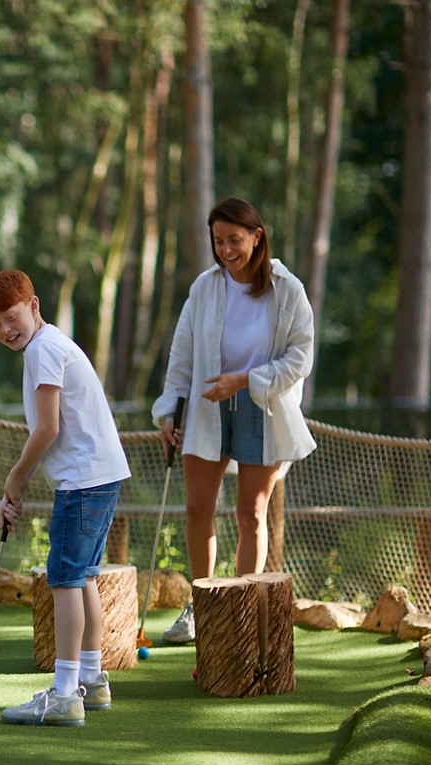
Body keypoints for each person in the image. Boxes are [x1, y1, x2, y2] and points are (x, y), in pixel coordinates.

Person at [152, 197, 316, 644]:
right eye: (218, 241)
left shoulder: (289, 289)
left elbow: (300, 359)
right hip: (206, 406)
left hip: (263, 408)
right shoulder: (203, 288)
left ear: (257, 237)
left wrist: (245, 381)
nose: (226, 250)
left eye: (235, 240)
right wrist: (169, 410)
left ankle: (245, 608)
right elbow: (181, 356)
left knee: (252, 513)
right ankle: (200, 606)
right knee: (197, 509)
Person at [0, 270, 131, 727]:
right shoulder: (53, 344)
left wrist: (17, 478)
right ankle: (92, 678)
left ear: (34, 305)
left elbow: (48, 428)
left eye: (11, 316)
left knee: (64, 578)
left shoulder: (43, 350)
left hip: (83, 481)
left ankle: (65, 694)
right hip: (101, 475)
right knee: (82, 575)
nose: (7, 330)